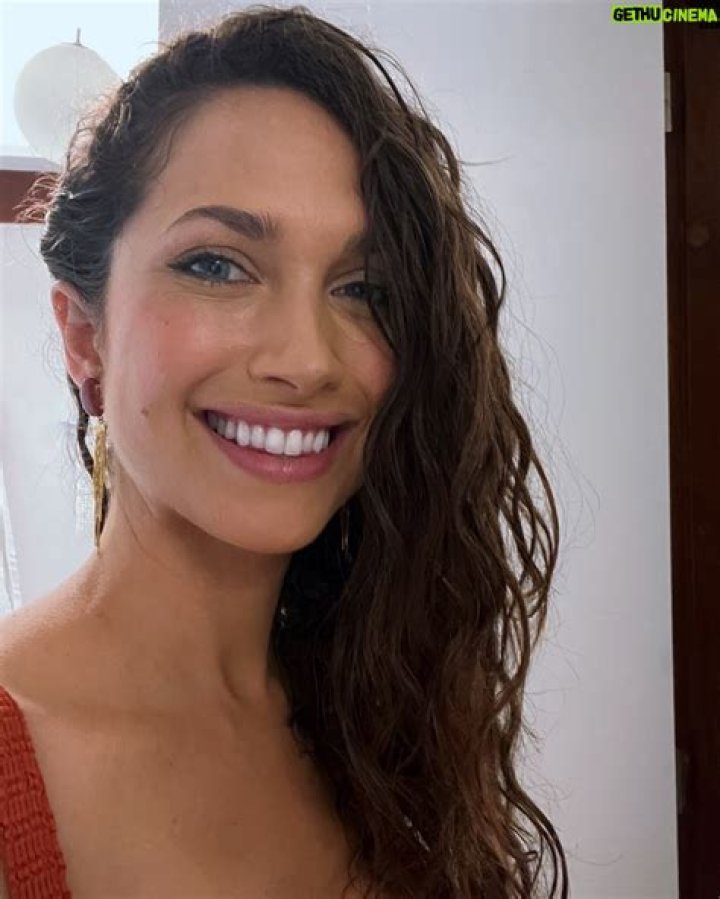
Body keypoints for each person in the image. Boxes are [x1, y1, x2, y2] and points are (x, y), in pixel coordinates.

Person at [1, 5, 569, 897]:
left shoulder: (387, 711)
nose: (307, 360)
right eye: (217, 265)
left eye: (364, 288)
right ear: (84, 336)